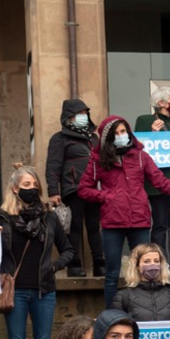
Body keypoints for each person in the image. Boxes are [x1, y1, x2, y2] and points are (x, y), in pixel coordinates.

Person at [77, 115, 170, 307]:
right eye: (117, 133)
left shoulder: (141, 157)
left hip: (140, 221)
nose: (121, 135)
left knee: (144, 271)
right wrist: (107, 197)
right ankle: (112, 314)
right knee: (112, 273)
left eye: (123, 131)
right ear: (108, 138)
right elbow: (84, 189)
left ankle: (144, 311)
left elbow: (161, 182)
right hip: (112, 223)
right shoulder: (98, 161)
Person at [0, 165, 74, 339]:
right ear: (15, 188)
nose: (31, 189)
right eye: (26, 185)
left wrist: (53, 267)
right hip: (14, 291)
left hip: (44, 291)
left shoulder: (49, 217)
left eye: (34, 185)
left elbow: (69, 251)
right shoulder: (1, 218)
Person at [46, 98, 103, 277]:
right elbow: (53, 166)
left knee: (95, 227)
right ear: (69, 117)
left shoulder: (94, 139)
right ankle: (74, 265)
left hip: (95, 190)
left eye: (86, 113)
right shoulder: (59, 138)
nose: (84, 116)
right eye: (80, 114)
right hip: (73, 189)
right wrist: (53, 191)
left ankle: (100, 264)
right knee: (74, 227)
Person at [135, 87, 170, 251]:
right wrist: (152, 134)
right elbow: (137, 149)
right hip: (157, 184)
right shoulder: (145, 121)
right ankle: (159, 259)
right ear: (160, 103)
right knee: (160, 224)